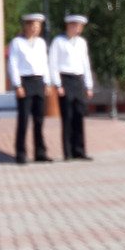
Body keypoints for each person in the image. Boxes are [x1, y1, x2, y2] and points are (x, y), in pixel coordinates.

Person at [7, 13, 53, 164]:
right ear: (26, 26)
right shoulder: (17, 43)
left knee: (39, 120)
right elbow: (13, 64)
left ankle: (40, 153)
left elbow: (44, 63)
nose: (36, 29)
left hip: (39, 81)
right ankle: (21, 153)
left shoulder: (41, 43)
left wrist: (47, 82)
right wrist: (17, 85)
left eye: (38, 27)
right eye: (33, 26)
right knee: (24, 120)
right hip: (25, 82)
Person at [50, 14, 94, 161]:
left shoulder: (81, 42)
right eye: (75, 26)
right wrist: (57, 84)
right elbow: (53, 64)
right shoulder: (58, 41)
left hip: (79, 80)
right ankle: (67, 152)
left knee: (79, 116)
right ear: (68, 26)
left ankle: (79, 151)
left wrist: (89, 85)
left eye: (80, 27)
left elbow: (85, 64)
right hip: (66, 80)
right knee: (67, 117)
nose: (78, 29)